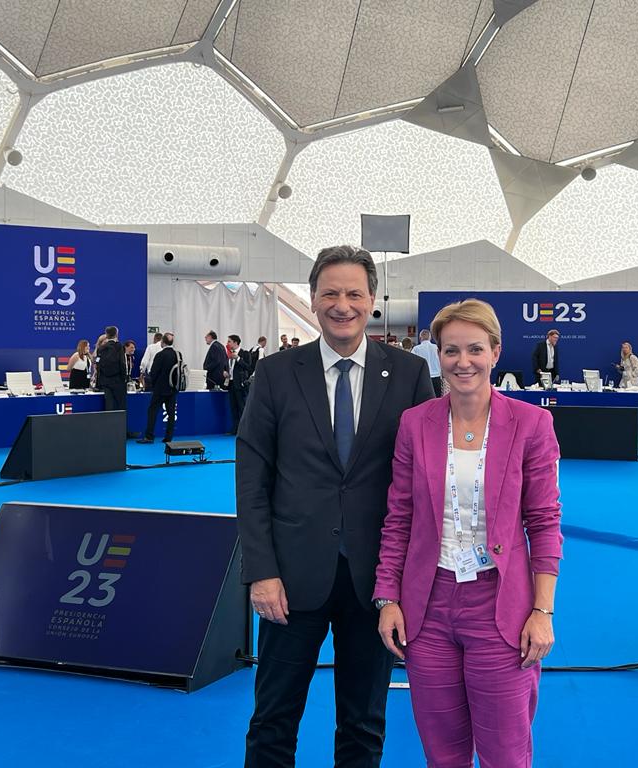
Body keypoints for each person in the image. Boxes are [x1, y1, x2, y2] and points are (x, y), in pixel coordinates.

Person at [236, 245, 435, 768]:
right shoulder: (276, 373)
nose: (342, 305)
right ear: (312, 298)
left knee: (363, 723)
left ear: (372, 300)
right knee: (273, 719)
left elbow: (424, 484)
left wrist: (407, 581)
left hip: (376, 583)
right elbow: (252, 480)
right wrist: (261, 572)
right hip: (290, 579)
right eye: (330, 293)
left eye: (353, 294)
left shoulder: (410, 374)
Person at [374, 298, 562, 768]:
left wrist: (542, 611)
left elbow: (544, 523)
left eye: (475, 349)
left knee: (505, 754)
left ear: (495, 352)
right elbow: (399, 517)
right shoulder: (415, 423)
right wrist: (388, 597)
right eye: (451, 350)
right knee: (443, 754)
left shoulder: (532, 424)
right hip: (427, 607)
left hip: (499, 607)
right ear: (437, 355)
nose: (463, 361)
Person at [137, 332, 179, 444]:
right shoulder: (177, 355)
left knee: (152, 411)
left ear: (162, 342)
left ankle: (149, 436)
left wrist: (154, 384)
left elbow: (153, 373)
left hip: (160, 389)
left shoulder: (160, 355)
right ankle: (168, 437)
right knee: (171, 413)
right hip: (173, 388)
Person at [226, 334, 253, 434]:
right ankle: (235, 429)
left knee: (242, 407)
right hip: (231, 384)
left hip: (240, 384)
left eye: (229, 341)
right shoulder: (229, 355)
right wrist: (225, 372)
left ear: (235, 342)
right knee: (233, 408)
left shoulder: (245, 353)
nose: (227, 343)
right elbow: (229, 368)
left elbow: (248, 367)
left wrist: (238, 359)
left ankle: (244, 429)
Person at [95, 326, 128, 411]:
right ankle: (120, 420)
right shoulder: (119, 346)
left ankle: (109, 419)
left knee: (109, 404)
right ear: (116, 334)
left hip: (105, 381)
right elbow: (122, 363)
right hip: (118, 380)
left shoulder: (101, 348)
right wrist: (124, 378)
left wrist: (99, 382)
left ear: (106, 335)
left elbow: (98, 364)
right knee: (121, 405)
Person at [413, 328, 443, 396]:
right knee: (437, 399)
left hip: (423, 378)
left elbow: (413, 364)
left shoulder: (416, 349)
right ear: (430, 338)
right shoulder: (437, 348)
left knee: (424, 399)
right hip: (436, 377)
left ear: (420, 338)